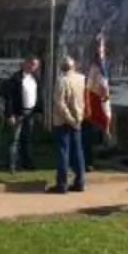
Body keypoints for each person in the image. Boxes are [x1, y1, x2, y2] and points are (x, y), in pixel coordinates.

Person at [48, 56, 86, 194]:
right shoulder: (81, 78)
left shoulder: (61, 81)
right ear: (74, 66)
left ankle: (62, 184)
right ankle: (80, 181)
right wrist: (77, 119)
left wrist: (69, 119)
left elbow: (60, 103)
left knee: (63, 152)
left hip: (64, 121)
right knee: (78, 151)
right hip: (78, 118)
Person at [3, 55, 42, 172]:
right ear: (26, 63)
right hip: (18, 112)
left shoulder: (35, 78)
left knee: (27, 139)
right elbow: (9, 98)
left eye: (36, 66)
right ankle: (12, 164)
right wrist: (10, 115)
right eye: (33, 65)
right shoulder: (15, 78)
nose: (34, 68)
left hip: (30, 112)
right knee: (15, 139)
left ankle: (27, 162)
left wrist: (39, 111)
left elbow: (38, 96)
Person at [83, 34, 112, 171]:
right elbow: (90, 88)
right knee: (91, 135)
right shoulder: (94, 68)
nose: (101, 54)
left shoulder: (105, 66)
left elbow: (105, 85)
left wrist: (105, 95)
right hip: (94, 104)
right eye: (99, 51)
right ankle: (89, 161)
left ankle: (96, 159)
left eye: (102, 50)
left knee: (99, 134)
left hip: (101, 102)